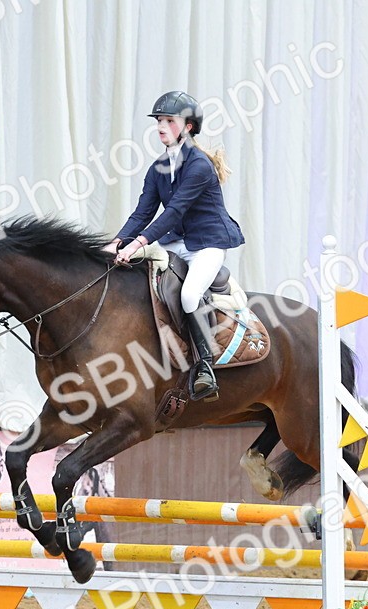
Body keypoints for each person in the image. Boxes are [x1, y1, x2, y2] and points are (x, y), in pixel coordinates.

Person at [105, 90, 244, 402]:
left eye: (169, 120)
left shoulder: (199, 166)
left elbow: (173, 213)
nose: (160, 126)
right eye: (158, 121)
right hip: (175, 244)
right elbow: (142, 212)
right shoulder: (157, 168)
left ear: (189, 127)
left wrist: (137, 243)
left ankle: (204, 367)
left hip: (207, 244)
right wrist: (116, 243)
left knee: (189, 293)